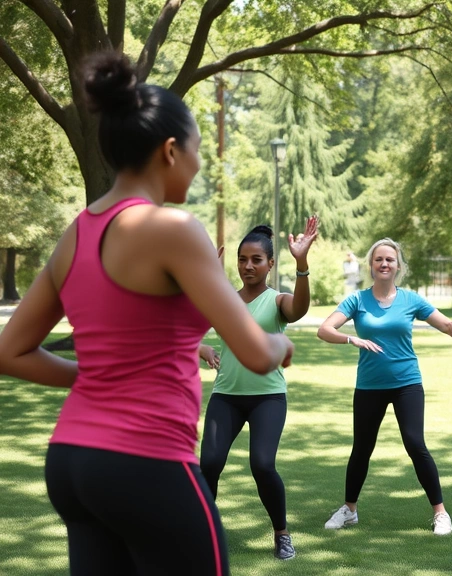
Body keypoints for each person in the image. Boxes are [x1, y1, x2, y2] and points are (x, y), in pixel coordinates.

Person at [0, 52, 293, 576]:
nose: (200, 164)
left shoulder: (77, 233)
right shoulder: (172, 229)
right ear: (171, 150)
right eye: (198, 150)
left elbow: (10, 351)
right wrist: (282, 345)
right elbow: (253, 348)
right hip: (146, 459)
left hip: (72, 460)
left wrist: (91, 375)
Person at [317, 238, 452, 536]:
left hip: (406, 383)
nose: (384, 264)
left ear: (398, 266)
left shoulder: (410, 300)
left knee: (414, 444)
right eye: (379, 259)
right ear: (371, 265)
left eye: (390, 260)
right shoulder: (357, 300)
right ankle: (349, 510)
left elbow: (446, 324)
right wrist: (351, 338)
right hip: (369, 385)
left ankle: (441, 513)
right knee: (362, 449)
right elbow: (324, 329)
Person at [197, 217, 318, 561]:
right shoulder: (224, 300)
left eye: (256, 260)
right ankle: (201, 532)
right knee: (210, 463)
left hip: (267, 398)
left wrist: (302, 263)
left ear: (269, 264)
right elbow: (184, 330)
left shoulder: (276, 300)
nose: (248, 266)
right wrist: (202, 349)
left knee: (262, 465)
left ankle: (281, 533)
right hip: (227, 397)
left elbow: (299, 310)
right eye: (242, 260)